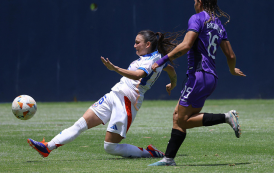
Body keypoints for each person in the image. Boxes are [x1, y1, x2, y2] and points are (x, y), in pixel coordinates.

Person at [27, 30, 182, 158]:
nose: (134, 45)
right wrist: (173, 83)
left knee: (110, 147)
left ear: (148, 44)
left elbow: (138, 75)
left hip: (128, 101)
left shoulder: (151, 61)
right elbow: (171, 69)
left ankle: (149, 153)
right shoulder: (156, 60)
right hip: (114, 94)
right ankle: (47, 147)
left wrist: (115, 69)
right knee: (80, 124)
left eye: (137, 42)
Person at [148, 0, 246, 166]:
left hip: (198, 76)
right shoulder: (218, 24)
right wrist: (232, 70)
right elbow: (230, 55)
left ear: (200, 1)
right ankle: (169, 159)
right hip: (210, 77)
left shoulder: (197, 18)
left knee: (182, 120)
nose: (193, 2)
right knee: (178, 116)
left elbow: (186, 45)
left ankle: (227, 117)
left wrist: (163, 59)